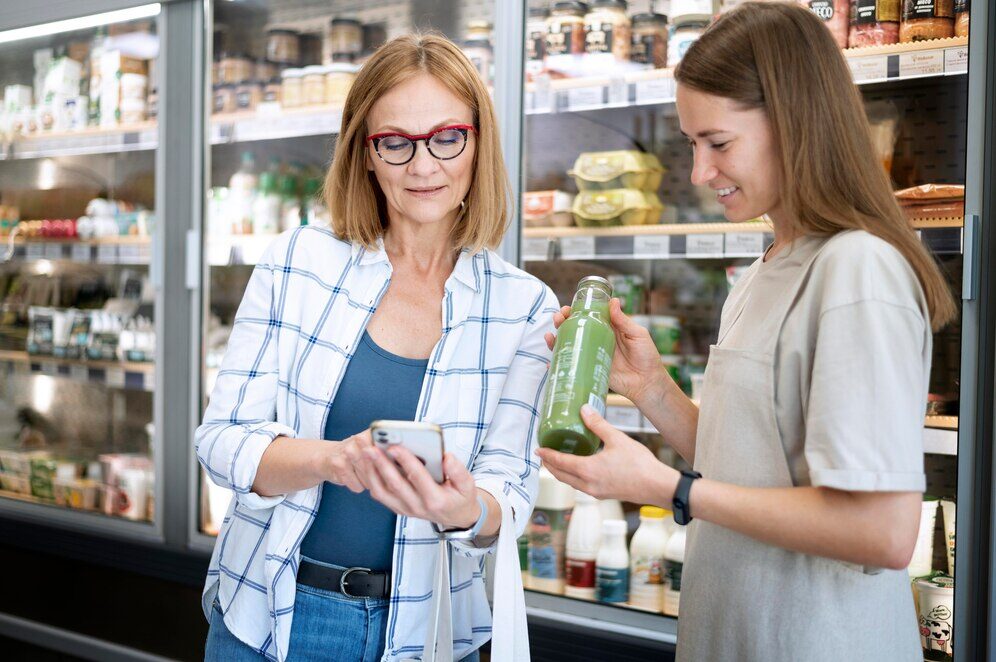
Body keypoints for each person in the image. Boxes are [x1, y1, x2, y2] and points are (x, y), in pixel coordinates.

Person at [538, 3, 957, 661]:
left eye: (719, 143)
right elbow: (751, 463)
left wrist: (670, 489)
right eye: (690, 144)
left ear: (794, 123)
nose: (699, 173)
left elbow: (880, 531)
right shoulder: (768, 268)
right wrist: (652, 388)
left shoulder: (857, 270)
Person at [196, 33, 557, 662]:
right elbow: (222, 440)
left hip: (430, 629)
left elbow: (510, 490)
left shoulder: (523, 307)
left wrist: (466, 508)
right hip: (274, 613)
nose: (423, 166)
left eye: (447, 137)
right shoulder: (297, 262)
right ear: (365, 152)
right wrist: (335, 460)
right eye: (396, 142)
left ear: (478, 143)